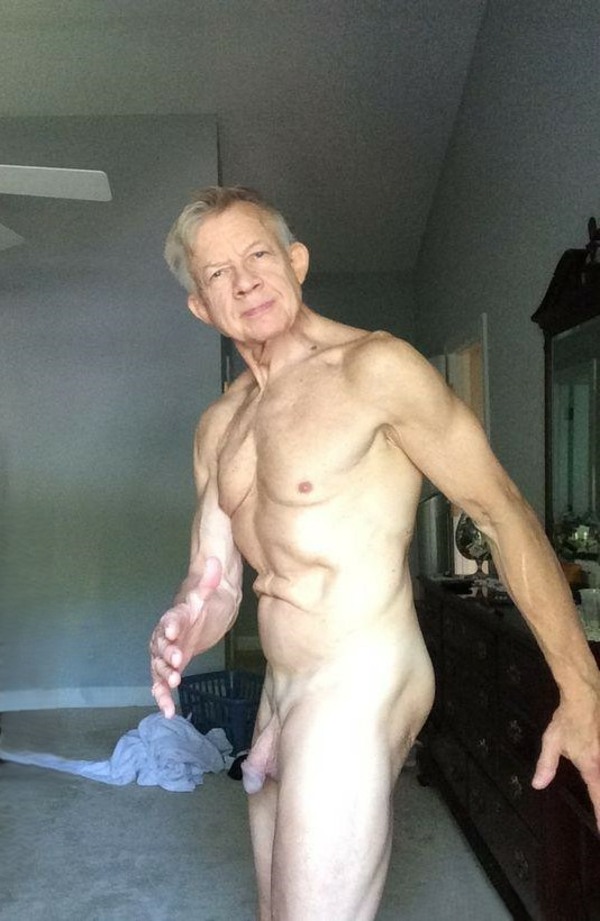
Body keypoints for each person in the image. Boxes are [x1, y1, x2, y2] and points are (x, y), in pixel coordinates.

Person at [150, 186, 600, 921]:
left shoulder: (375, 369)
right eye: (219, 273)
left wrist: (581, 688)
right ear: (202, 305)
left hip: (362, 675)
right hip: (281, 690)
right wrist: (185, 619)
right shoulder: (219, 426)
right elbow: (218, 579)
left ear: (296, 261)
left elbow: (502, 513)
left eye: (258, 255)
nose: (246, 281)